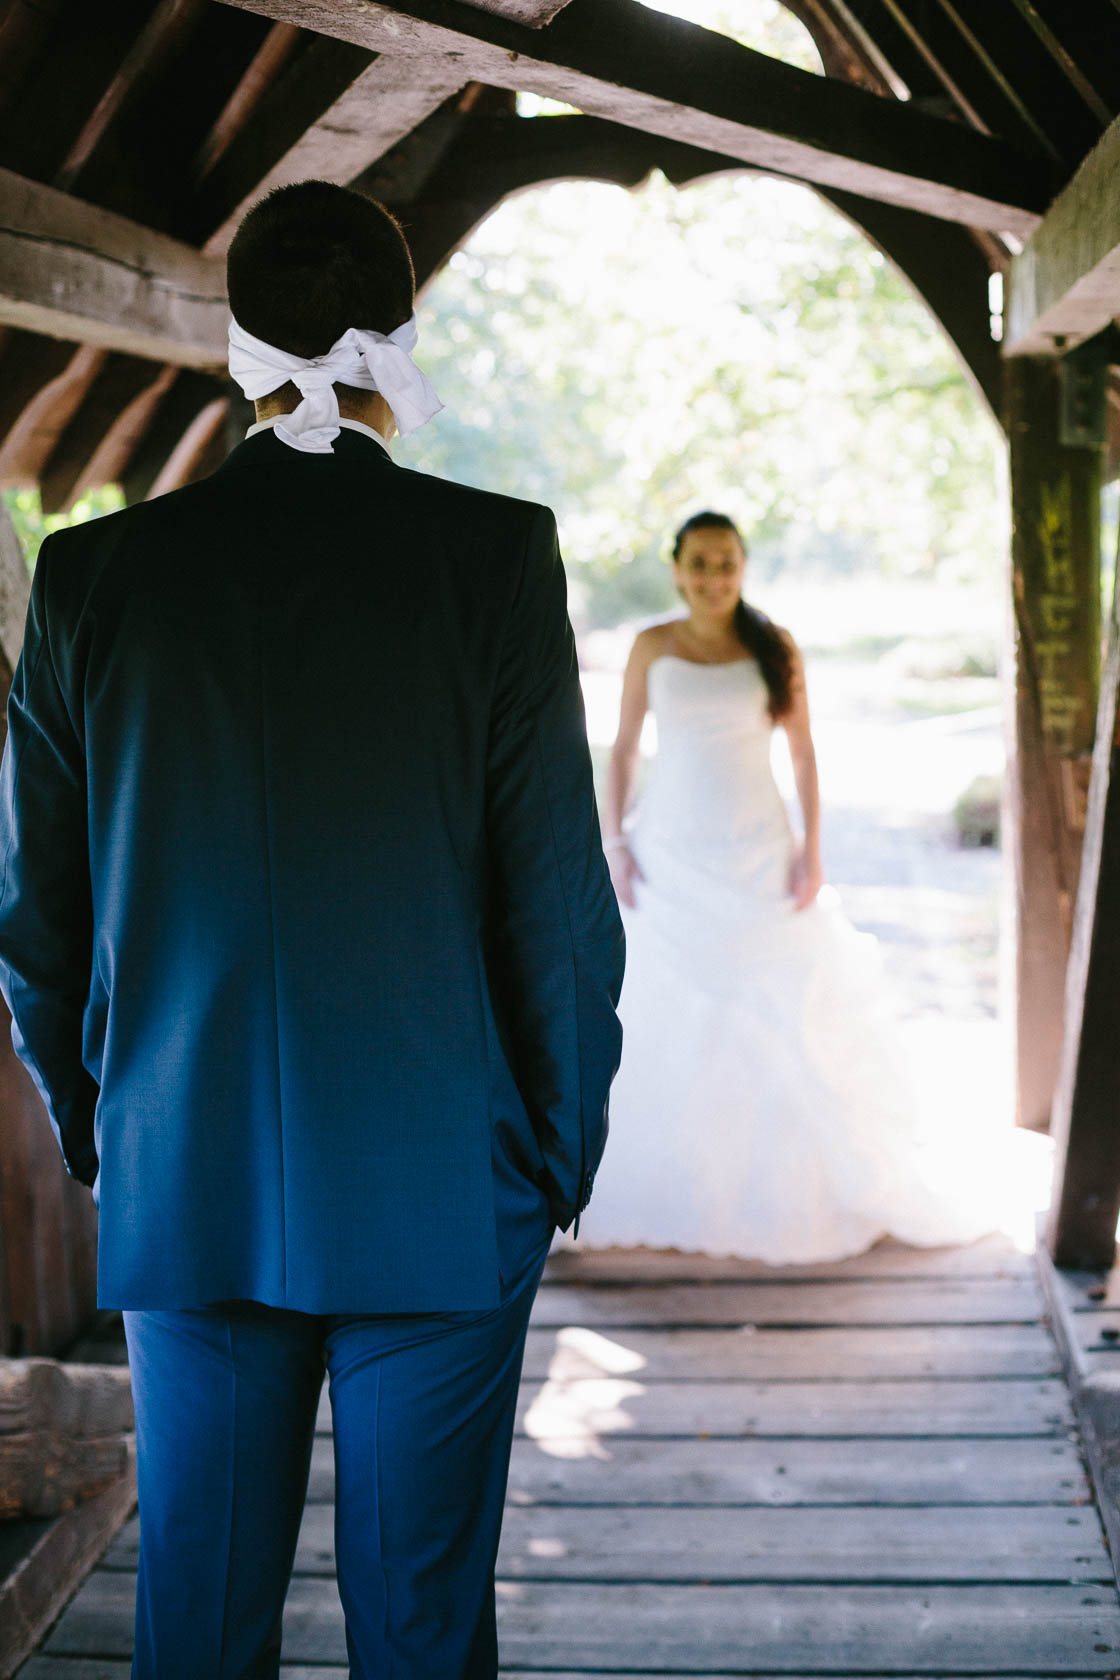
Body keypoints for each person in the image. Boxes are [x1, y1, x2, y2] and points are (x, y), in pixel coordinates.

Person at [0, 180, 624, 1678]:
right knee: (418, 1629)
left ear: (235, 348)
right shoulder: (494, 559)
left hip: (188, 1169)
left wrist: (109, 1128)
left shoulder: (95, 577)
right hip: (442, 1178)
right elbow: (555, 894)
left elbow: (36, 917)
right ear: (398, 339)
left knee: (198, 1631)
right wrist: (555, 1151)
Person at [576, 509, 989, 1263]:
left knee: (777, 1007)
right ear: (677, 569)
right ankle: (678, 1185)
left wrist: (813, 850)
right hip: (669, 852)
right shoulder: (651, 645)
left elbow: (803, 755)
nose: (713, 578)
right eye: (699, 563)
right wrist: (616, 841)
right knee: (667, 1010)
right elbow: (625, 749)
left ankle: (783, 1190)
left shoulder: (773, 645)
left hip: (759, 848)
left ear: (743, 567)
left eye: (726, 563)